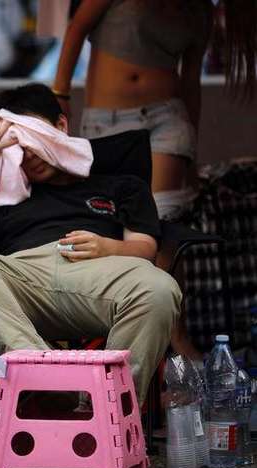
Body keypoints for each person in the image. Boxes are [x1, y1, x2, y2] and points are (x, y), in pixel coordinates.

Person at [0, 83, 182, 405]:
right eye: (16, 144)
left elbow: (145, 247)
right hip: (22, 282)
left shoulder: (119, 184)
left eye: (34, 136)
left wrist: (108, 248)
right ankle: (48, 377)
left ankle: (105, 410)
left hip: (99, 276)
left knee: (159, 289)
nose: (27, 153)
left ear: (61, 126)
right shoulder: (4, 193)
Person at [52, 0, 257, 359]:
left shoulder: (199, 11)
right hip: (106, 121)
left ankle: (172, 335)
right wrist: (60, 95)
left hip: (167, 120)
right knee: (115, 223)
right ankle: (129, 330)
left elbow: (191, 81)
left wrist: (190, 149)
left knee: (158, 222)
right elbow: (76, 29)